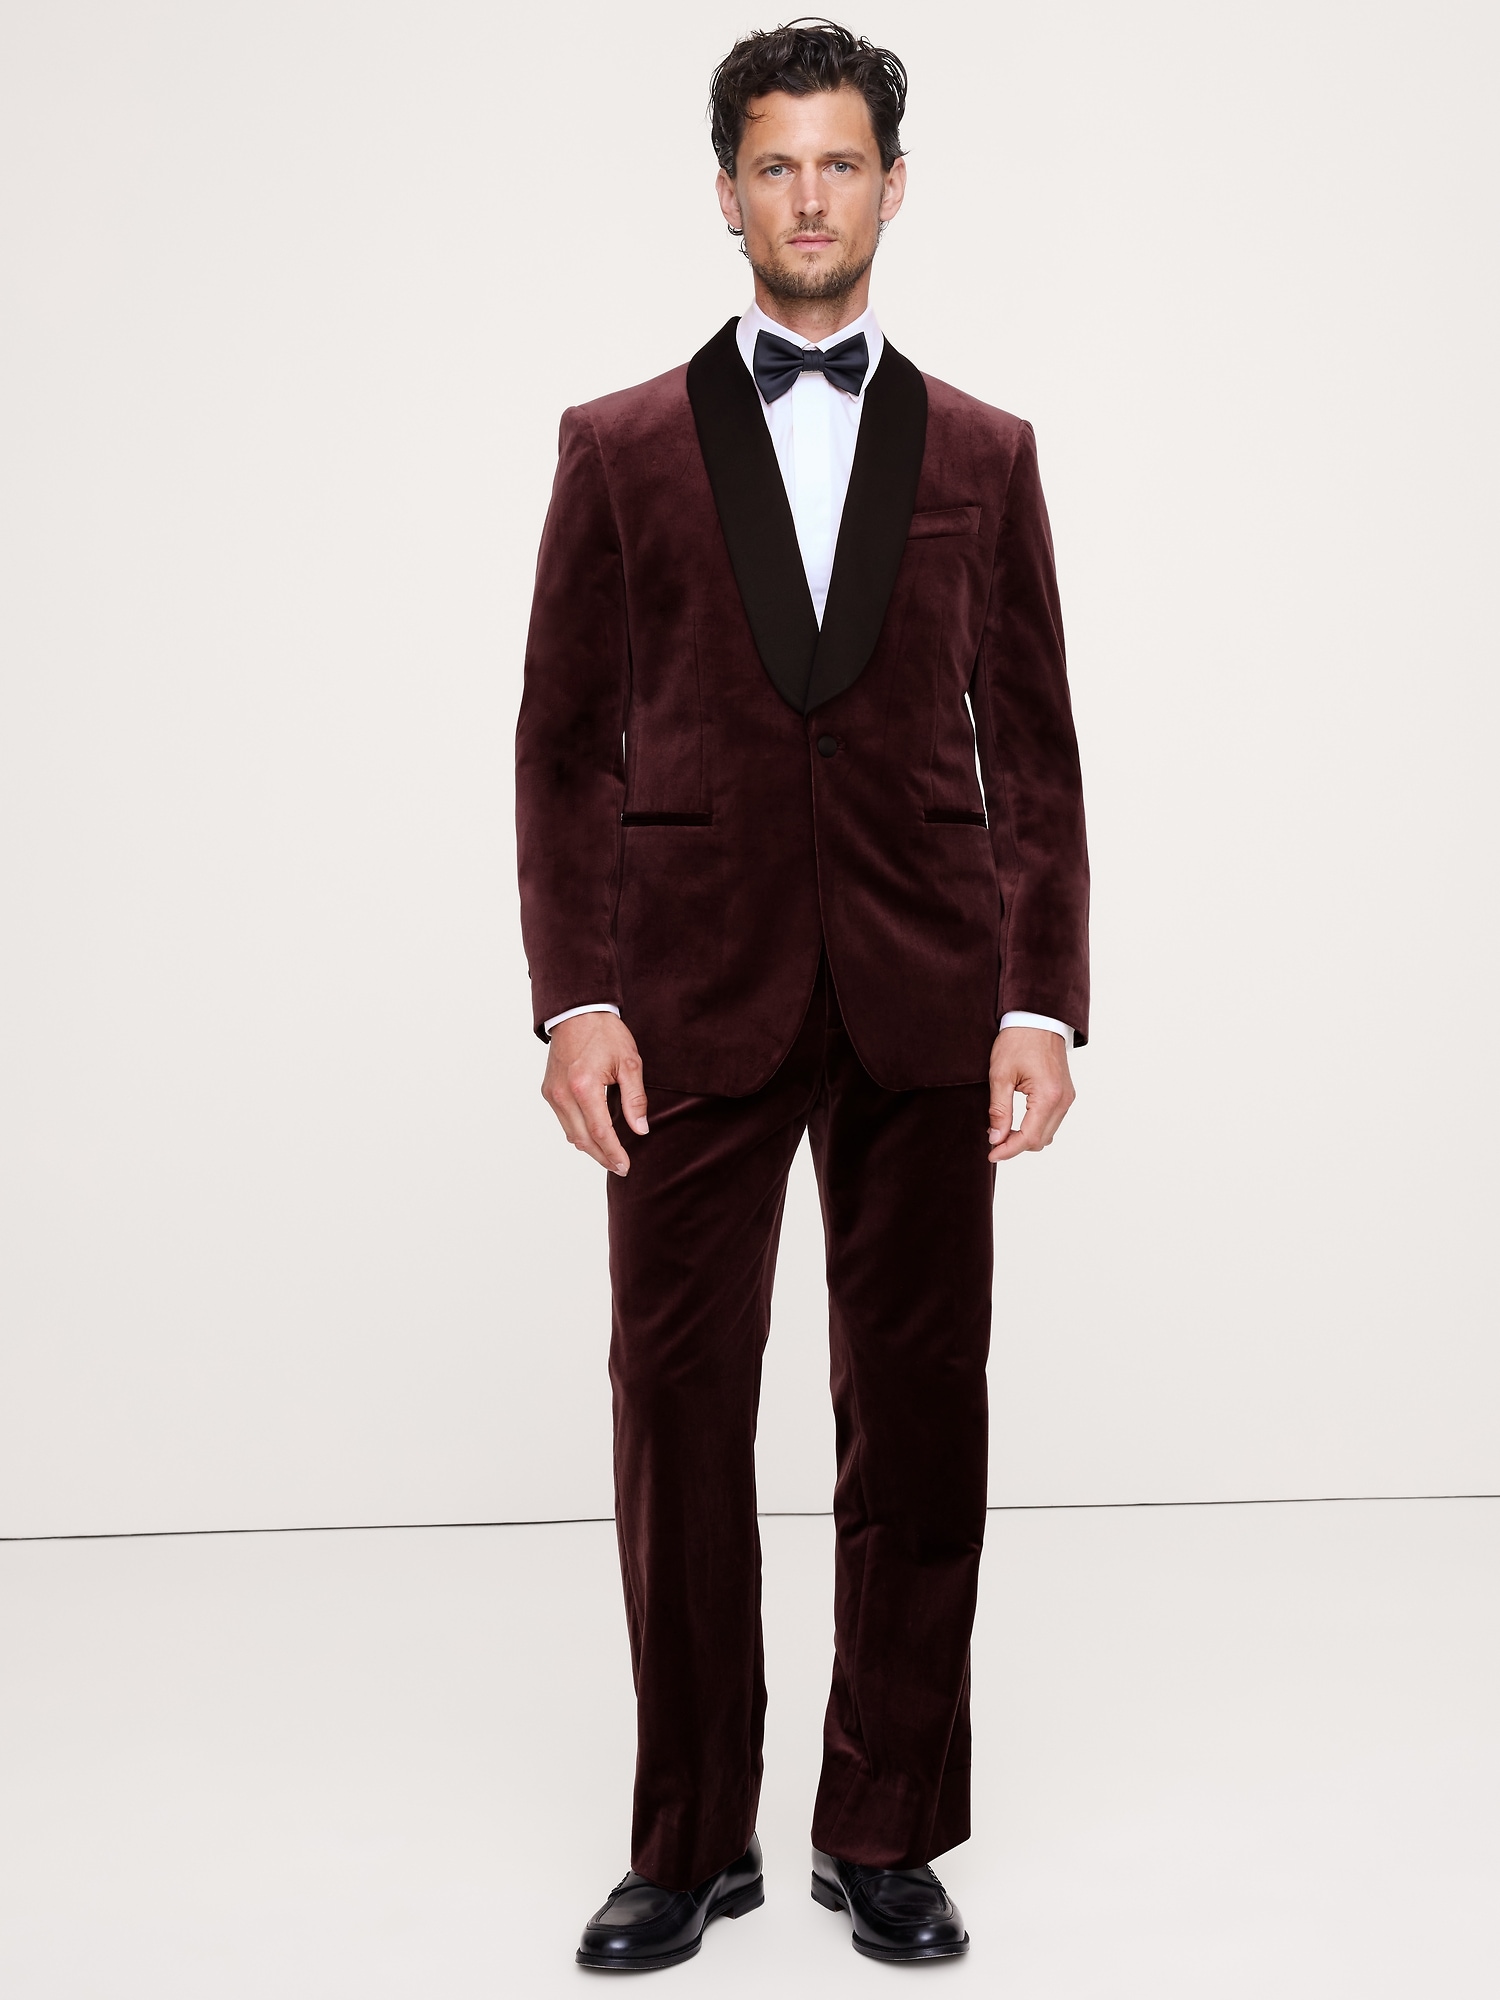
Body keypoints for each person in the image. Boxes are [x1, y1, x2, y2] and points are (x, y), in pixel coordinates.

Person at [515, 18, 1089, 1971]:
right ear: (728, 193)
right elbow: (562, 742)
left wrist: (1045, 999)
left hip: (930, 991)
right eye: (776, 165)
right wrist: (575, 996)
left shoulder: (988, 454)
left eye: (842, 162)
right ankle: (689, 1839)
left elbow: (1035, 746)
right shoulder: (617, 448)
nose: (811, 195)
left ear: (893, 186)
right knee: (676, 1412)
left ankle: (886, 1824)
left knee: (918, 1419)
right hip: (686, 1000)